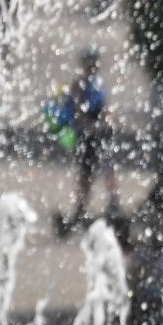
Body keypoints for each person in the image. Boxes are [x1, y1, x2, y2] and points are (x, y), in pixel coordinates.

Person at [55, 47, 118, 231]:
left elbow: (104, 107)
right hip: (87, 134)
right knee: (87, 172)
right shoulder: (78, 85)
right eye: (89, 64)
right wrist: (90, 126)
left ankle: (113, 202)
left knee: (108, 167)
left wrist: (107, 120)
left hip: (101, 132)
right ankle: (81, 208)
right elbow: (77, 112)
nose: (92, 68)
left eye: (94, 64)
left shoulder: (98, 84)